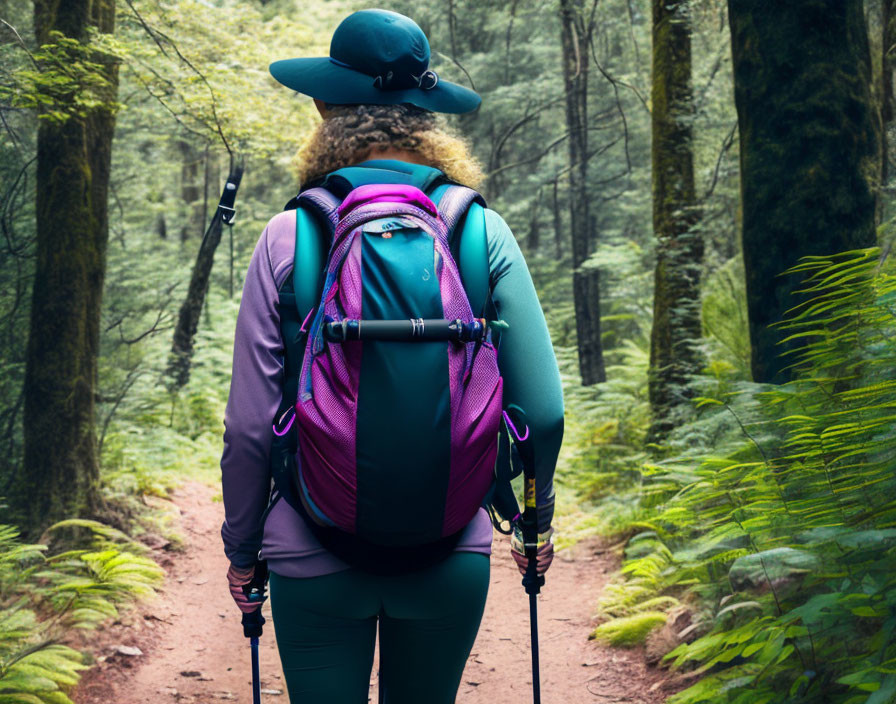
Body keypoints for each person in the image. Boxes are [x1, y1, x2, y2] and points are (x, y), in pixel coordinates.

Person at [220, 9, 564, 703]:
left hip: (311, 549)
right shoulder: (480, 230)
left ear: (324, 108)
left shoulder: (289, 236)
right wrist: (534, 518)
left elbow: (252, 428)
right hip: (448, 548)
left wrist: (243, 549)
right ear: (427, 116)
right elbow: (546, 411)